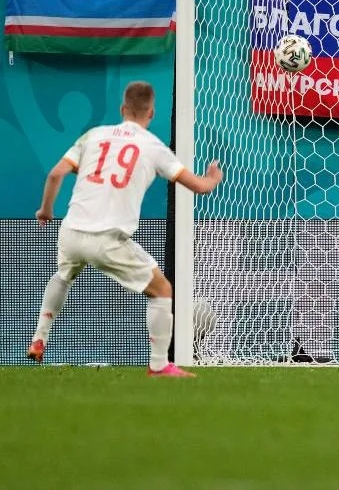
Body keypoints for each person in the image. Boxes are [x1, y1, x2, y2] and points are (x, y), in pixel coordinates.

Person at [27, 81, 223, 377]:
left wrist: (45, 211)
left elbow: (56, 174)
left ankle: (40, 337)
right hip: (108, 239)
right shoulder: (153, 147)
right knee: (162, 289)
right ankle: (159, 365)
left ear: (122, 109)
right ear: (152, 113)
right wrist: (213, 177)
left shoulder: (93, 136)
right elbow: (200, 187)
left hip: (70, 230)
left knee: (63, 275)